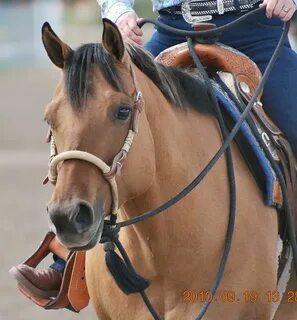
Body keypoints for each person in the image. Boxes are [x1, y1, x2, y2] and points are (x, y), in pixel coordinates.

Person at [11, 0, 297, 298]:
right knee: (101, 118)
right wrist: (118, 11)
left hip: (255, 29)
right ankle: (66, 258)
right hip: (172, 29)